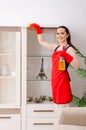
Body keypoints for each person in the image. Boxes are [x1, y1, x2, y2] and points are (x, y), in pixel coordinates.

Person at [28, 23, 80, 105]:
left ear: (67, 35)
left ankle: (64, 118)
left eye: (62, 33)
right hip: (55, 79)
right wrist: (38, 29)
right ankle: (59, 118)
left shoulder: (69, 49)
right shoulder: (56, 47)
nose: (59, 35)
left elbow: (77, 66)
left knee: (64, 104)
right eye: (57, 33)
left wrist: (65, 54)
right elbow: (42, 42)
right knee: (57, 104)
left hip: (63, 79)